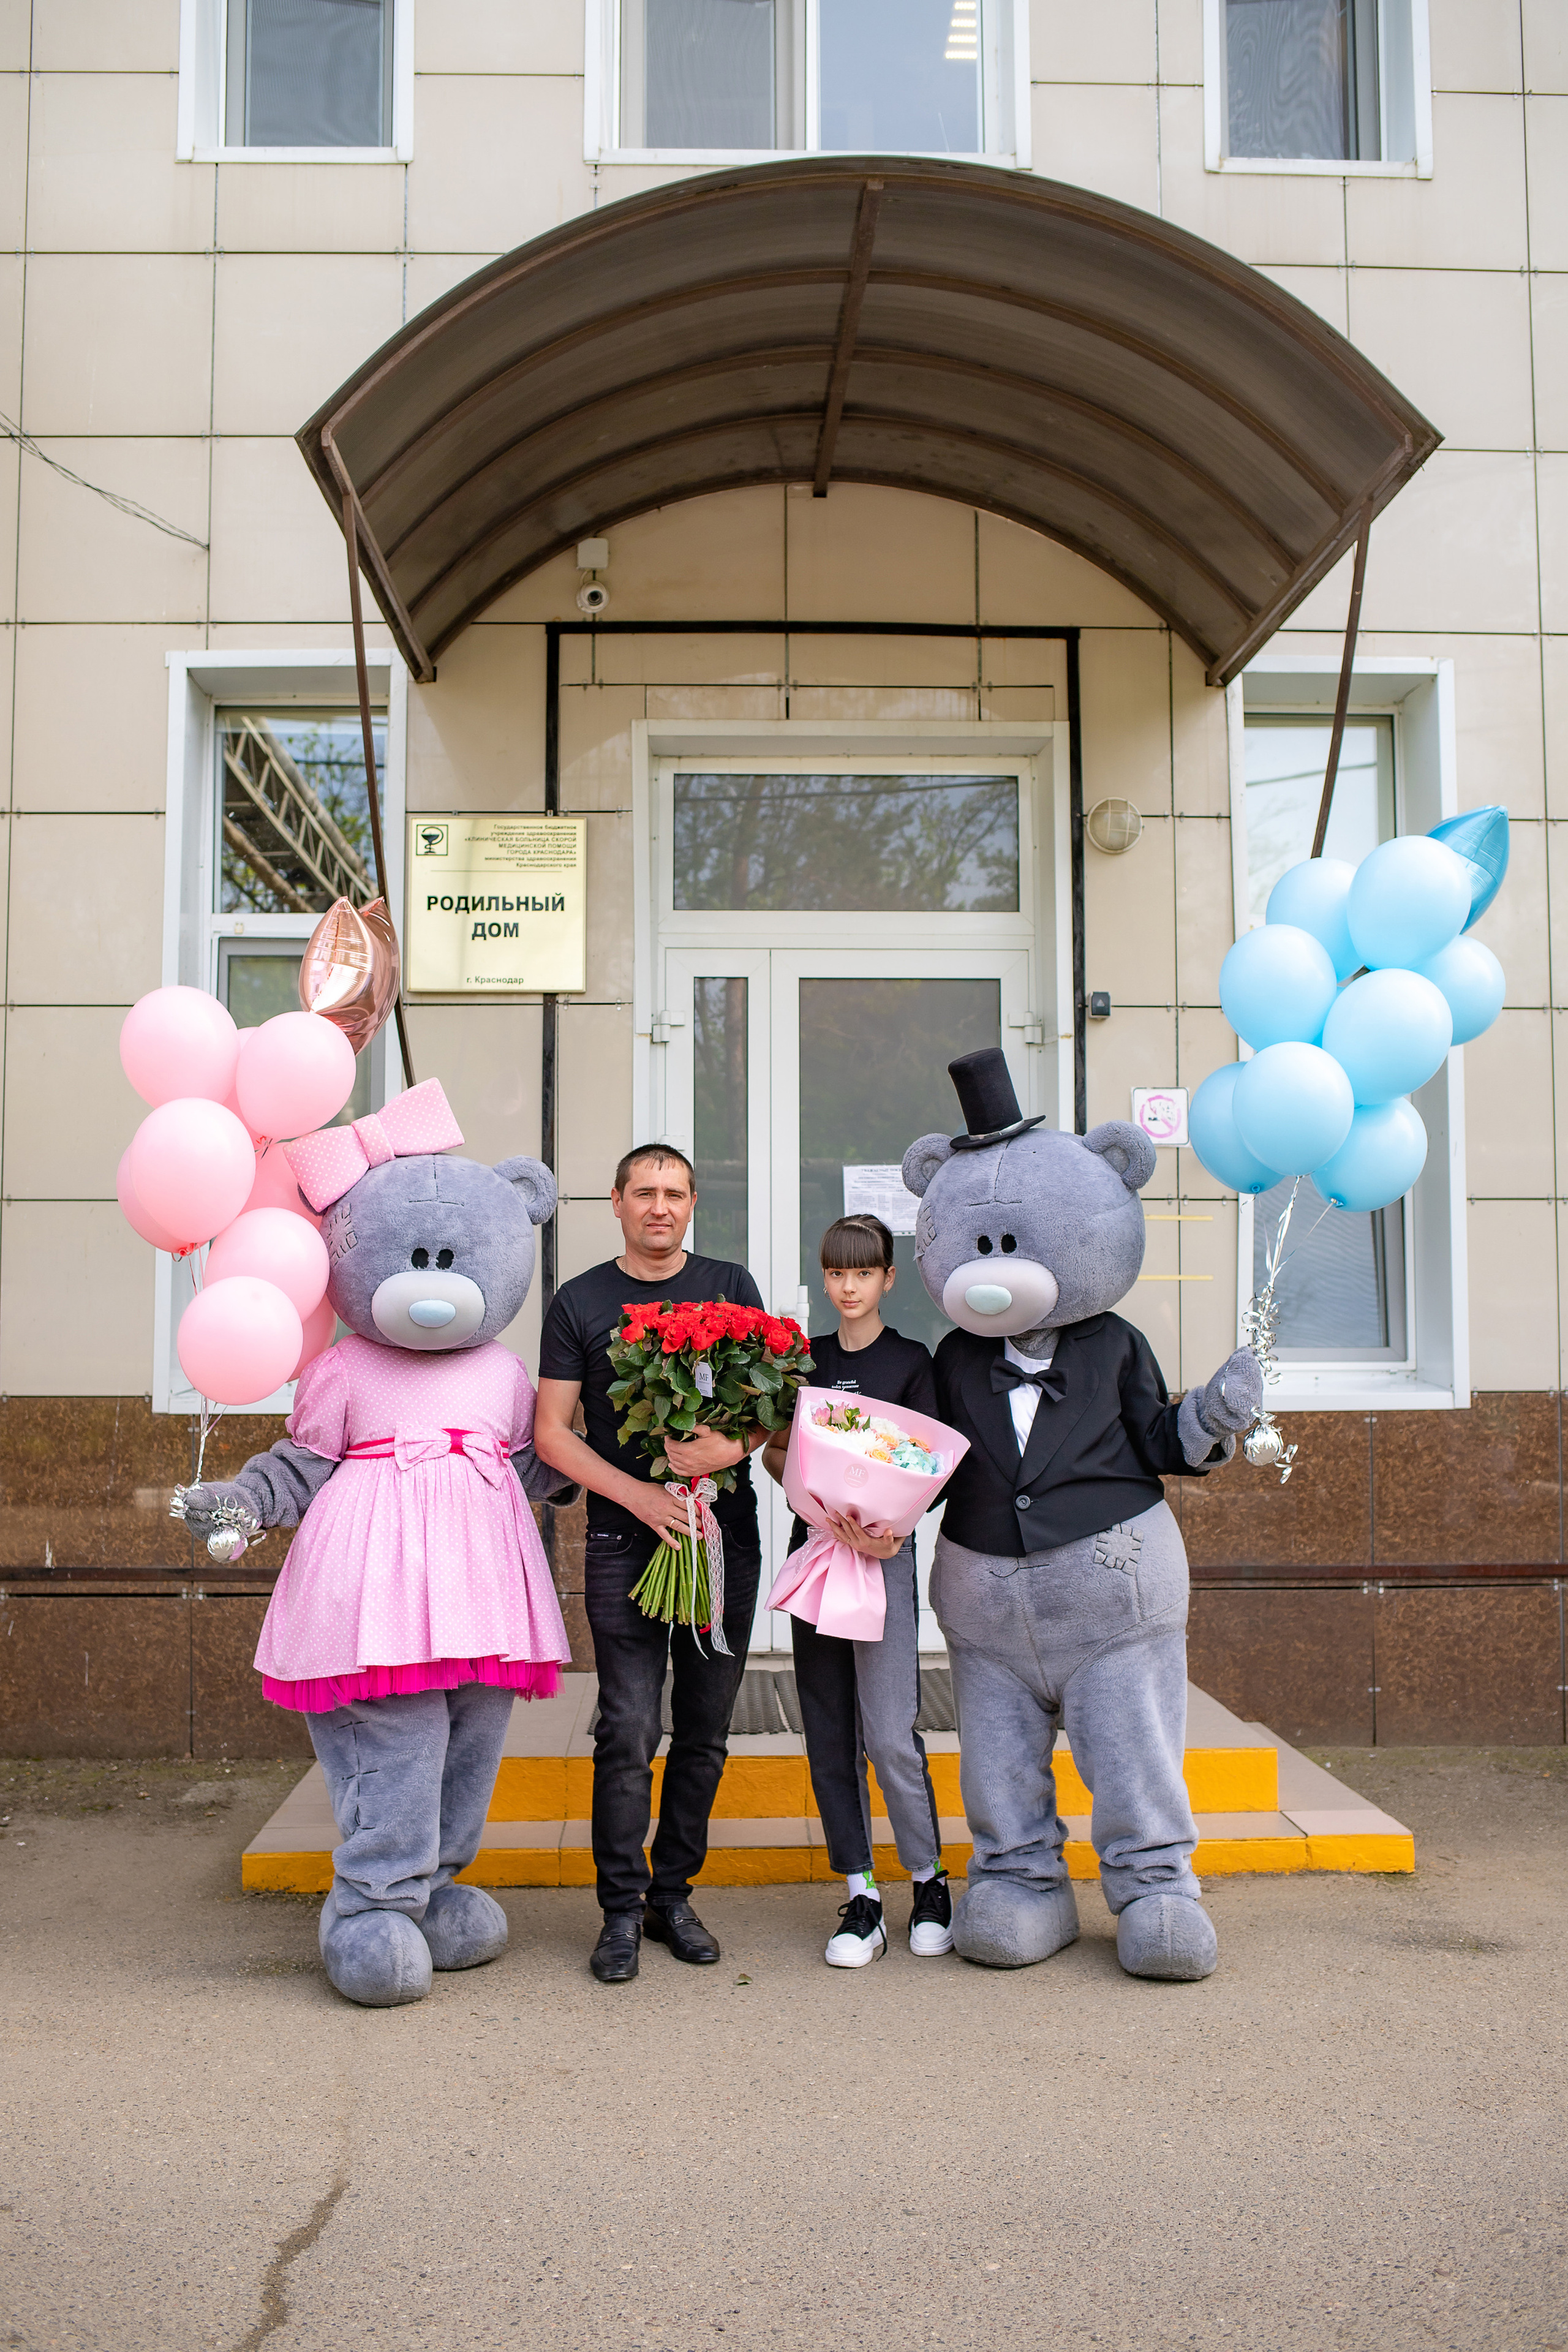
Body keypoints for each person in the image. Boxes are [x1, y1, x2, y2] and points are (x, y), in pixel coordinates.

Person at [533, 1144, 767, 1985]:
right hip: (624, 1540)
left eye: (673, 1193)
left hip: (722, 1538)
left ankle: (674, 1896)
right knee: (627, 1729)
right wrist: (638, 1495)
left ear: (693, 1202)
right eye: (644, 1193)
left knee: (704, 1731)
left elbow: (771, 1413)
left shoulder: (732, 1287)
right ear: (618, 1202)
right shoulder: (581, 1300)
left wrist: (724, 1449)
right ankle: (621, 1911)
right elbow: (552, 1432)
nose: (659, 1206)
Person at [761, 1213, 952, 1969]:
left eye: (863, 1273)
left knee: (888, 1730)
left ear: (887, 1280)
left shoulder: (913, 1361)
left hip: (880, 1560)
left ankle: (929, 1881)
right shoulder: (801, 1360)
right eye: (837, 1273)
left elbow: (929, 1466)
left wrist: (887, 1533)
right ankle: (862, 1892)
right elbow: (777, 1454)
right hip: (816, 1552)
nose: (848, 1287)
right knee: (829, 1728)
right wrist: (809, 1496)